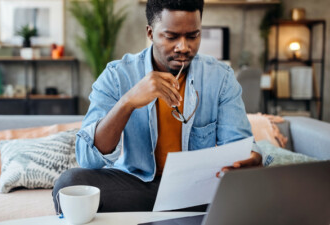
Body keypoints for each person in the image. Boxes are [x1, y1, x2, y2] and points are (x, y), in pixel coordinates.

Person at [53, 0, 261, 214]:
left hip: (195, 190)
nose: (184, 47)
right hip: (136, 187)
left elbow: (239, 145)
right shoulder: (117, 76)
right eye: (171, 37)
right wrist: (128, 102)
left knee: (262, 190)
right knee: (69, 184)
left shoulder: (220, 77)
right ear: (150, 33)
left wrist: (250, 158)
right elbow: (87, 158)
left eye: (193, 36)